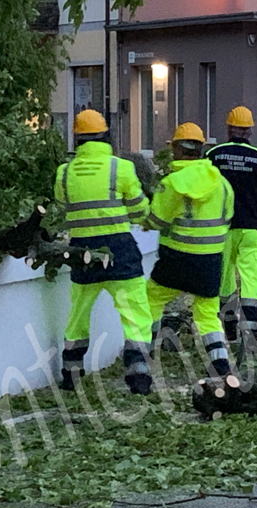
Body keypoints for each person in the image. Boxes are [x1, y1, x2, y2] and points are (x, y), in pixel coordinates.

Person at [54, 109, 154, 394]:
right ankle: (139, 376)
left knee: (78, 313)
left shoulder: (64, 173)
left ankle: (71, 374)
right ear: (105, 135)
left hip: (81, 251)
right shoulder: (119, 168)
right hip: (119, 249)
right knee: (134, 311)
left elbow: (63, 207)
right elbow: (138, 211)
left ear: (77, 139)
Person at [144, 123, 236, 377]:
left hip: (176, 259)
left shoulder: (171, 183)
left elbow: (155, 221)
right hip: (210, 261)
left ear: (176, 148)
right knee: (207, 314)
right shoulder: (222, 183)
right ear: (201, 149)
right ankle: (220, 366)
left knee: (151, 299)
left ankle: (144, 354)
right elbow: (228, 217)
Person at [206, 106, 257, 346]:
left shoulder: (214, 155)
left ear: (229, 128)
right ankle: (251, 334)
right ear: (249, 131)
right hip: (252, 226)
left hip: (221, 227)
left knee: (224, 278)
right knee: (251, 279)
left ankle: (228, 328)